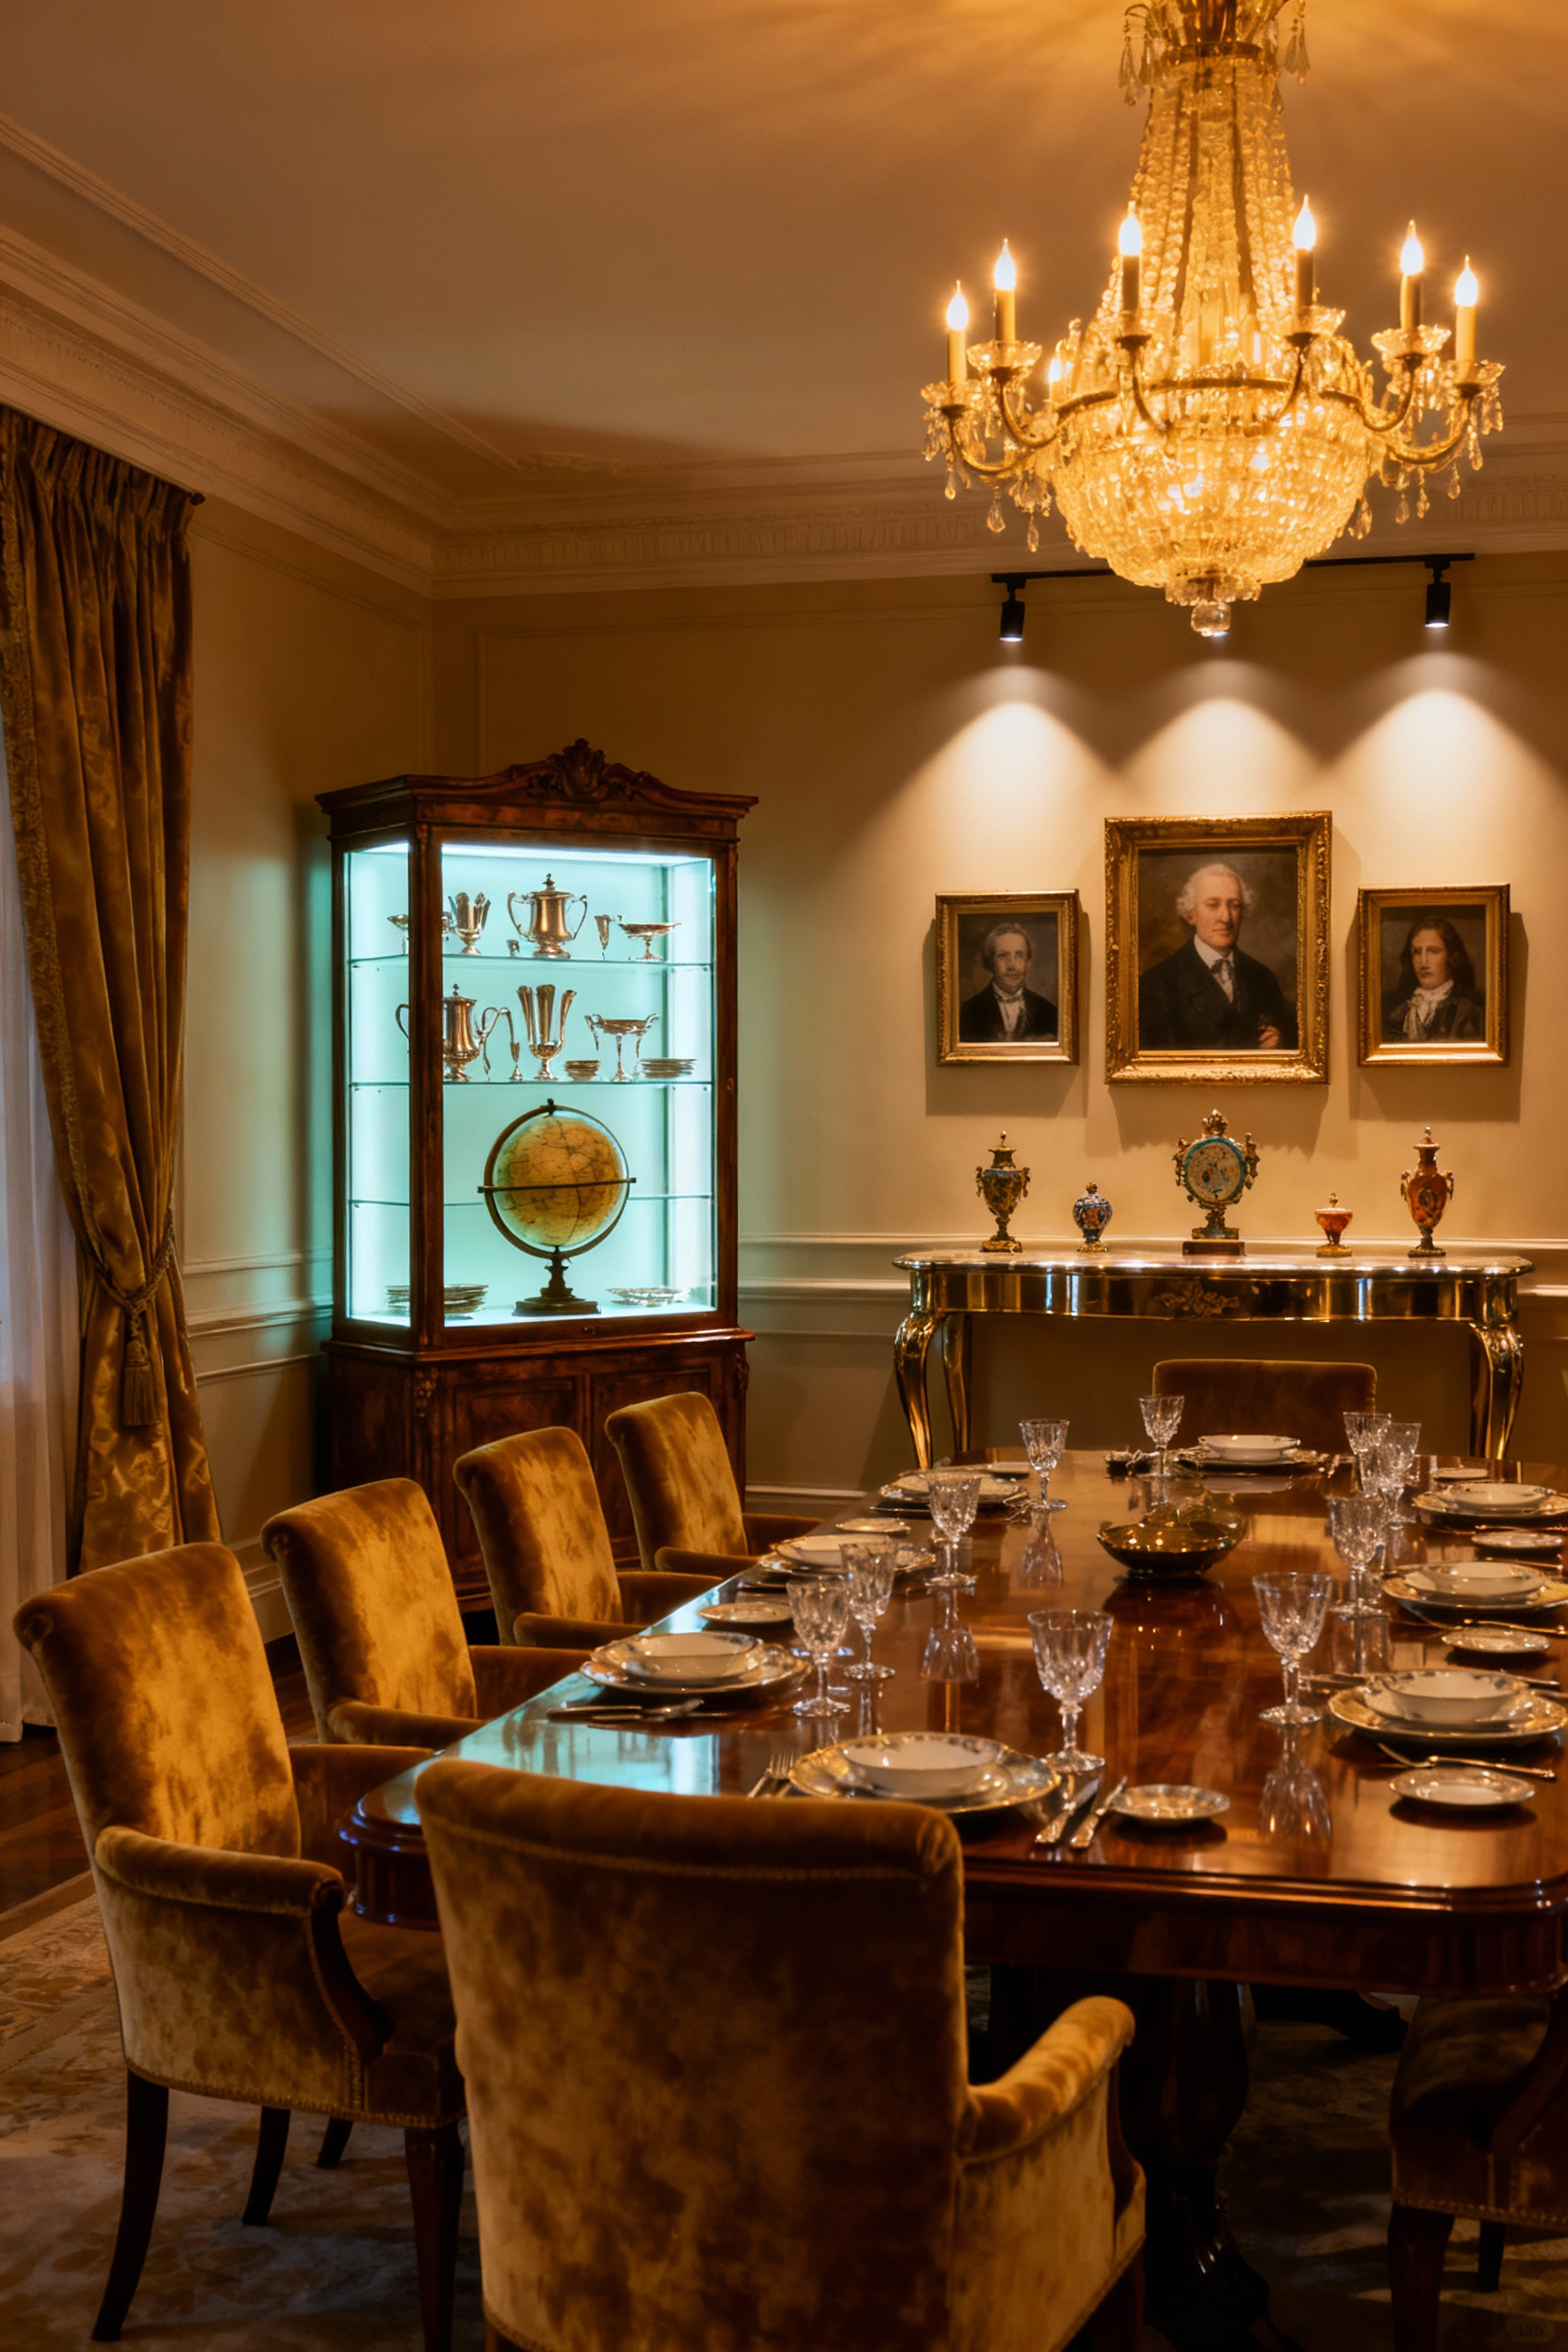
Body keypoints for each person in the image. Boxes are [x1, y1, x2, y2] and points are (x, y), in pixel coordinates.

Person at [1137, 861, 1298, 1051]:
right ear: (1191, 914)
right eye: (1213, 905)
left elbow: (1292, 1055)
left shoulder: (1262, 977)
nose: (1226, 917)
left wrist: (1279, 1046)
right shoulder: (1158, 982)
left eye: (1234, 905)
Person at [1381, 913, 1485, 1041]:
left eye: (1433, 951)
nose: (1423, 963)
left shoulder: (1471, 1011)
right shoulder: (1397, 1013)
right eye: (1417, 952)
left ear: (1452, 957)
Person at [958, 922, 1058, 1042]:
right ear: (990, 961)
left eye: (1019, 955)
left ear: (1027, 962)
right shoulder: (969, 1011)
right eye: (1003, 956)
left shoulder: (1048, 1011)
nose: (1012, 966)